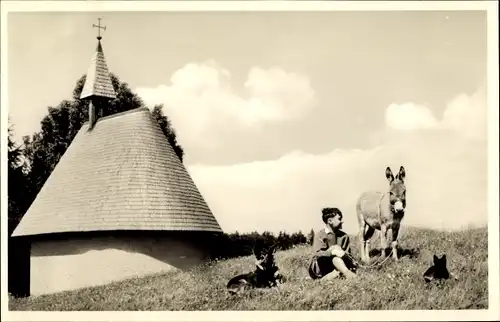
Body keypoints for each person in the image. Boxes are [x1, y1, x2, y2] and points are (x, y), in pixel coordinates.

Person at [308, 207, 357, 280]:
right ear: (330, 221)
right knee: (335, 251)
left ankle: (335, 275)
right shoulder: (320, 235)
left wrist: (344, 254)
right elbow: (317, 254)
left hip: (338, 264)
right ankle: (347, 274)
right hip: (321, 265)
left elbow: (348, 255)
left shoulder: (344, 236)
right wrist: (332, 252)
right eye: (339, 219)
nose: (341, 221)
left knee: (337, 258)